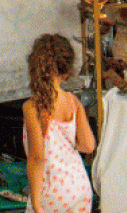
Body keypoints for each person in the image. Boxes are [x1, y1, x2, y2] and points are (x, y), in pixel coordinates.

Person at [22, 34, 95, 213]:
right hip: (79, 187)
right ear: (66, 73)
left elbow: (37, 158)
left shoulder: (33, 107)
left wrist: (37, 205)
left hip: (52, 191)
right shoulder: (73, 102)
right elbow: (88, 146)